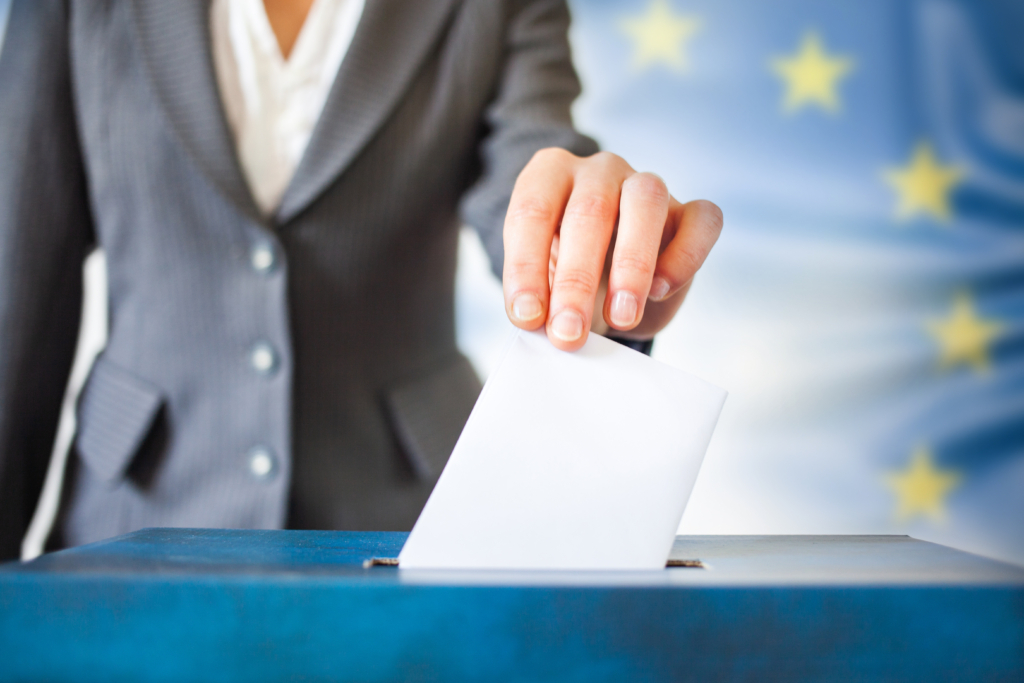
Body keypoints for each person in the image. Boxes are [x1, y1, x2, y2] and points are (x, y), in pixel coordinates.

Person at [0, 0, 722, 560]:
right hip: (131, 520)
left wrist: (596, 261)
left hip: (402, 527)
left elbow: (533, 182)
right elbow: (15, 304)